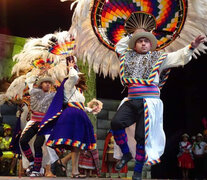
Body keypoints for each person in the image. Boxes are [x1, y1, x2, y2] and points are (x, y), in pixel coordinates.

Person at [111, 28, 205, 180]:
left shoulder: (158, 58)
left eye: (146, 41)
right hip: (131, 100)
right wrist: (132, 34)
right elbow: (119, 47)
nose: (143, 43)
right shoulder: (127, 57)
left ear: (151, 45)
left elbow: (178, 57)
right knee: (116, 123)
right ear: (134, 45)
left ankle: (137, 172)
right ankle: (126, 153)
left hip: (149, 103)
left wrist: (192, 46)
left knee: (142, 137)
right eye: (140, 41)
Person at [38, 57, 101, 178]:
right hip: (71, 115)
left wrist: (90, 110)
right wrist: (71, 67)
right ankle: (73, 170)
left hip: (79, 115)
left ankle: (71, 168)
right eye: (77, 73)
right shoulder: (68, 84)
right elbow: (73, 77)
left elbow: (80, 105)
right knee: (76, 145)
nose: (78, 76)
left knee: (78, 145)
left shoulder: (78, 91)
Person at [19, 71, 57, 177]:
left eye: (49, 83)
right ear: (41, 84)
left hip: (44, 124)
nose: (47, 84)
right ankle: (32, 162)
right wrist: (37, 74)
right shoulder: (34, 92)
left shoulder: (54, 96)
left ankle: (37, 168)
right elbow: (29, 80)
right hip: (34, 121)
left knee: (37, 145)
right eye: (45, 82)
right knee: (23, 141)